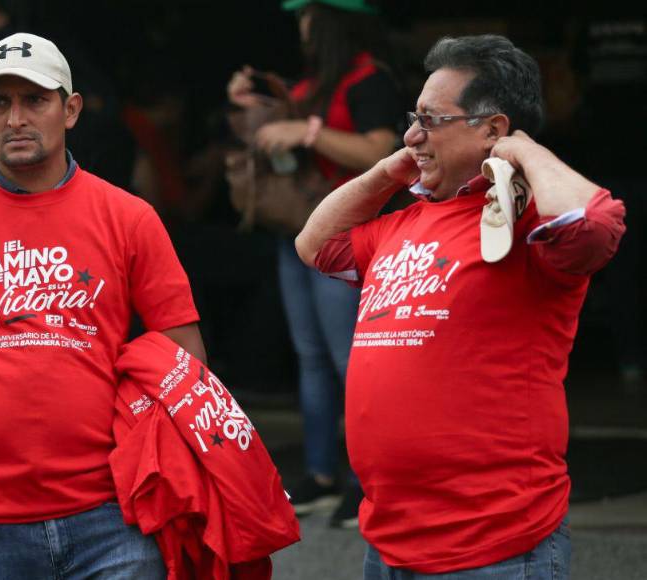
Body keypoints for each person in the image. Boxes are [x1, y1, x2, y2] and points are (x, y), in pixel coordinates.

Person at [296, 34, 626, 578]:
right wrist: (391, 168)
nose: (412, 133)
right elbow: (315, 245)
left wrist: (522, 150)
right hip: (388, 542)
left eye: (430, 120)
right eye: (412, 117)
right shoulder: (404, 222)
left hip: (491, 545)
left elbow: (593, 225)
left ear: (492, 128)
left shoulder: (527, 222)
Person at [0, 32, 205, 579]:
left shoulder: (129, 217)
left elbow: (183, 360)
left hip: (114, 521)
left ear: (70, 109)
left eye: (36, 100)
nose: (16, 119)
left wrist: (158, 477)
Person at [226, 0, 401, 527]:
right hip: (299, 230)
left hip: (349, 236)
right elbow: (269, 135)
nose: (301, 29)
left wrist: (307, 133)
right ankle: (324, 471)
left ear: (330, 24)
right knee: (312, 357)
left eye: (307, 19)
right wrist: (250, 101)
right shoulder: (308, 85)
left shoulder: (370, 79)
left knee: (351, 358)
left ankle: (366, 480)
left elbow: (382, 150)